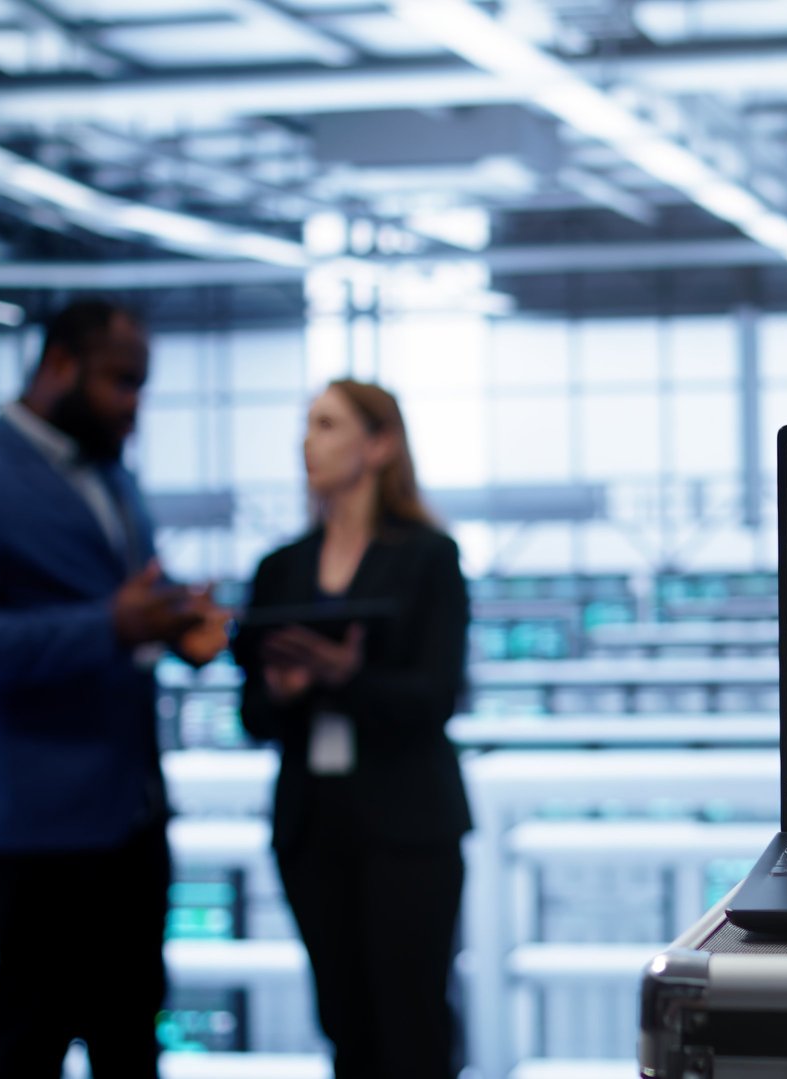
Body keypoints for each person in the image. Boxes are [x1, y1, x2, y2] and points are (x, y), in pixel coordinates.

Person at [0, 299, 227, 1078]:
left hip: (131, 809)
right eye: (122, 381)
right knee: (34, 1036)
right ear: (58, 365)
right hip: (34, 819)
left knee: (132, 1036)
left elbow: (118, 599)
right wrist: (110, 625)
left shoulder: (112, 477)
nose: (134, 405)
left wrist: (172, 622)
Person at [234, 379, 471, 1079]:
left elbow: (436, 698)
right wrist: (285, 691)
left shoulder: (428, 557)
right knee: (344, 1023)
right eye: (308, 423)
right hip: (314, 828)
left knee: (414, 1025)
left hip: (408, 827)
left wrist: (344, 677)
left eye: (328, 424)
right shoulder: (279, 569)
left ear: (380, 444)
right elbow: (251, 716)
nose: (307, 441)